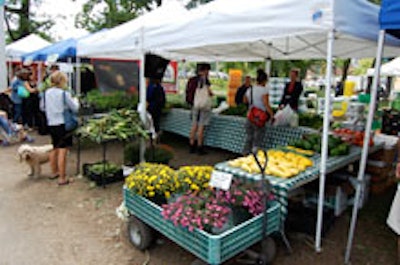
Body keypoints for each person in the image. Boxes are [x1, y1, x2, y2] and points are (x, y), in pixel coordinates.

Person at [40, 71, 79, 186]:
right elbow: (75, 108)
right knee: (63, 149)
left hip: (51, 123)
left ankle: (54, 172)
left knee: (55, 147)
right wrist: (75, 101)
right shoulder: (64, 93)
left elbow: (42, 107)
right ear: (62, 81)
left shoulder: (46, 93)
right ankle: (62, 178)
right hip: (63, 123)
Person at [242, 69, 273, 155]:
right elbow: (266, 104)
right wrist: (272, 115)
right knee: (257, 138)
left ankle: (245, 155)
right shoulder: (264, 90)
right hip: (259, 118)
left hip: (250, 116)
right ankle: (254, 157)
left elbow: (244, 100)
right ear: (265, 80)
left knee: (249, 137)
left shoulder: (250, 89)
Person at [186, 63, 213, 155]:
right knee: (201, 127)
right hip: (204, 106)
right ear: (204, 70)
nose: (208, 72)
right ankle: (200, 147)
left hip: (195, 105)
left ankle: (191, 146)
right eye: (207, 70)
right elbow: (209, 93)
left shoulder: (192, 79)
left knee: (194, 126)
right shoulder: (205, 80)